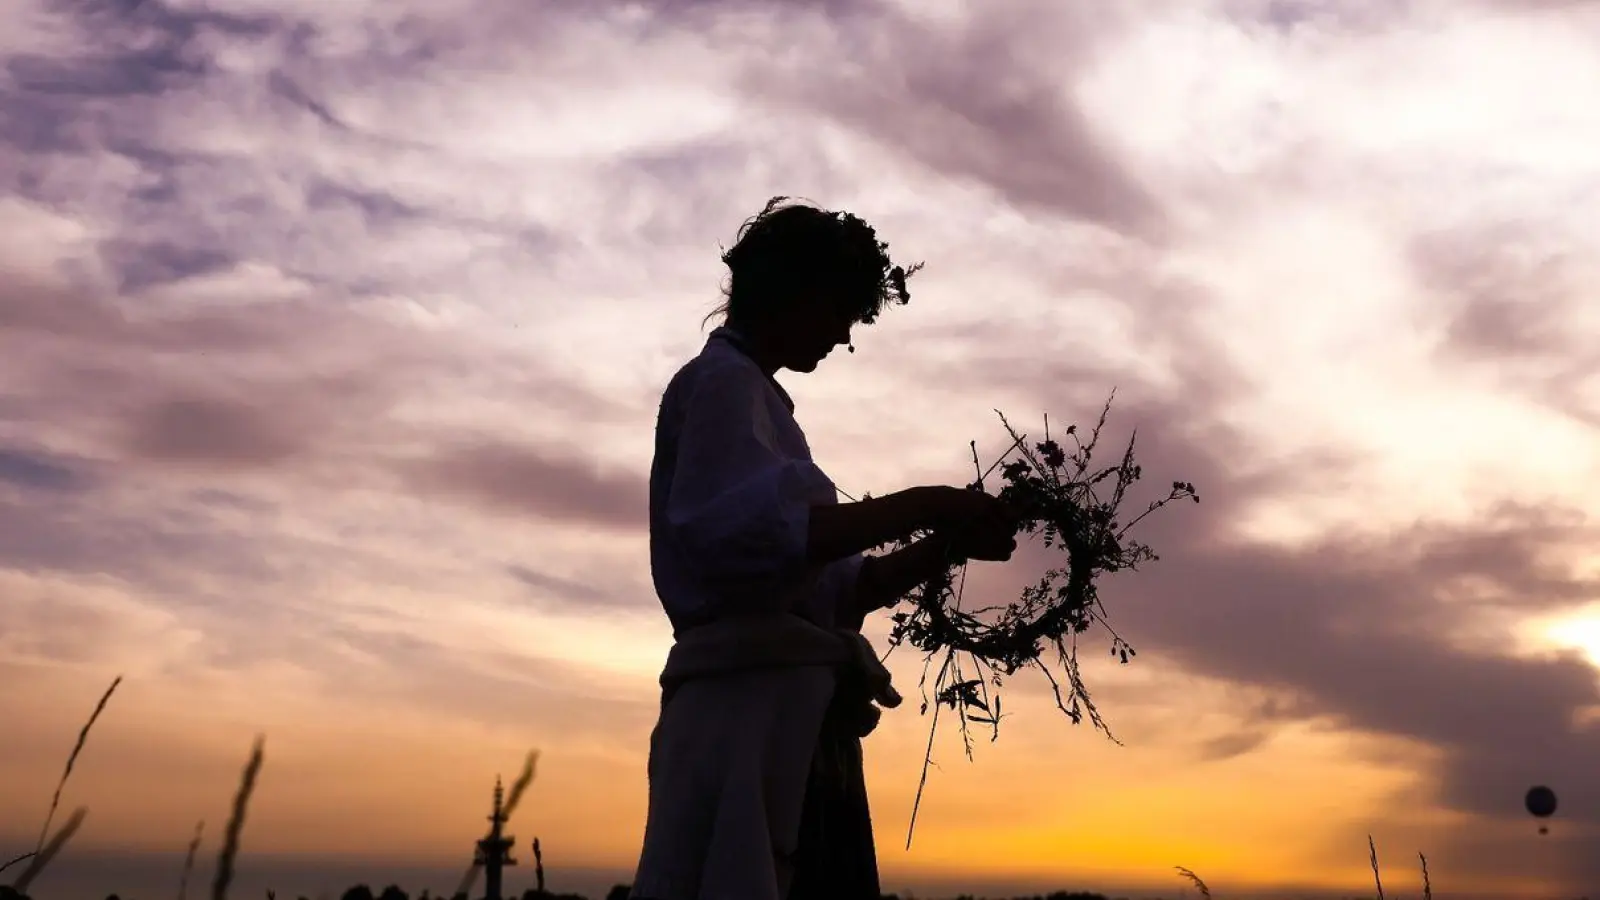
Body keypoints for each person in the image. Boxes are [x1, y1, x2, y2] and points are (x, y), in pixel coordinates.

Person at [629, 198, 1020, 900]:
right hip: (746, 722)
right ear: (797, 294)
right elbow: (743, 541)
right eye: (842, 311)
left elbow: (836, 588)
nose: (844, 336)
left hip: (794, 726)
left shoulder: (761, 405)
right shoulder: (718, 386)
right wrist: (932, 502)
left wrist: (946, 544)